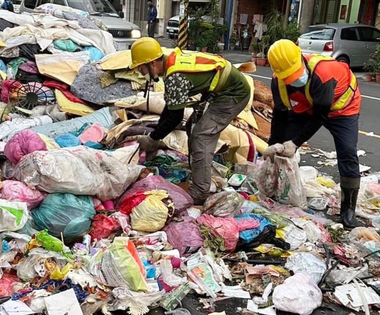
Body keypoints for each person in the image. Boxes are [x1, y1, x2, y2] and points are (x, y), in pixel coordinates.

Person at [130, 37, 252, 205]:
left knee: (201, 136)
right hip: (221, 91)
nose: (142, 74)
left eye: (142, 69)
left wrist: (153, 138)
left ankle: (200, 191)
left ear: (152, 63)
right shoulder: (171, 64)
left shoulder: (175, 77)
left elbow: (175, 117)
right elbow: (170, 108)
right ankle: (197, 172)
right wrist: (155, 135)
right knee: (192, 127)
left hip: (234, 94)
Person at [264, 39, 362, 228]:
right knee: (282, 144)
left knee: (347, 152)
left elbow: (320, 117)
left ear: (301, 58)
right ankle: (280, 190)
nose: (292, 80)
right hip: (308, 106)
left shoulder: (324, 74)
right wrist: (274, 142)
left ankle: (348, 208)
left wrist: (295, 143)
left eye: (294, 74)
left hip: (343, 110)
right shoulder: (279, 81)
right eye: (287, 77)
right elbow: (280, 114)